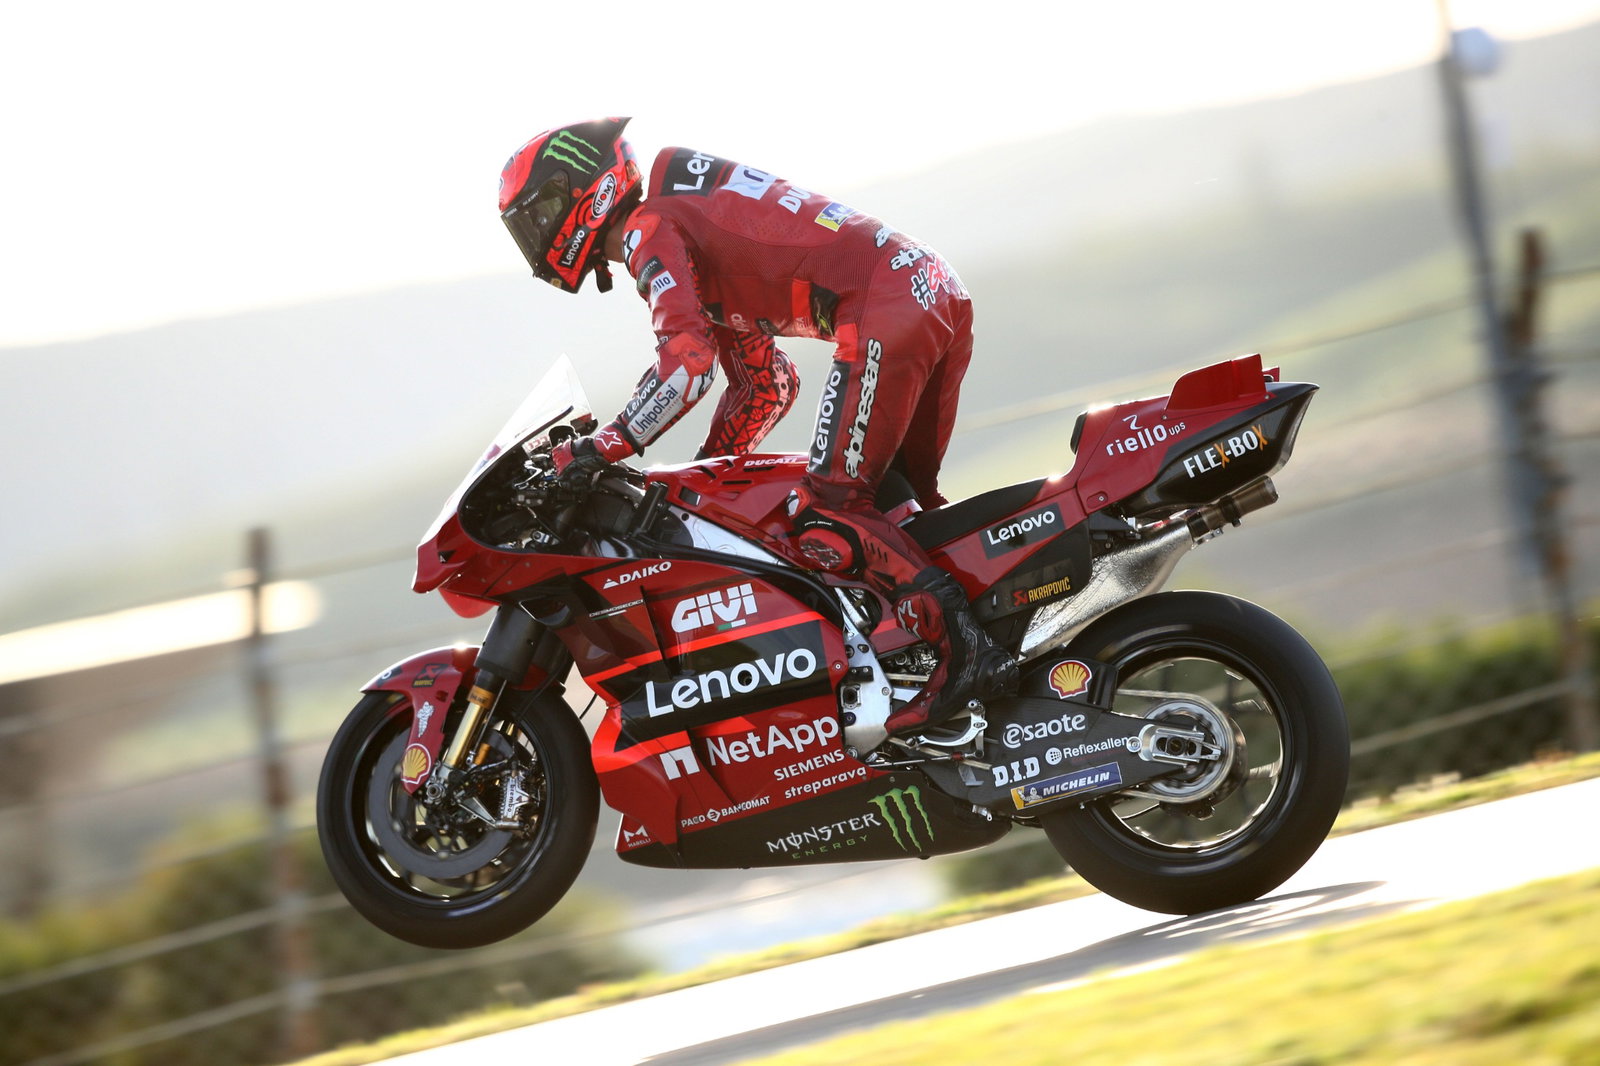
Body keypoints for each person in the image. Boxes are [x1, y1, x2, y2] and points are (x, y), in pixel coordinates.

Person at [497, 116, 1017, 736]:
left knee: (828, 509)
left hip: (888, 306)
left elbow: (687, 366)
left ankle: (968, 658)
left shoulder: (647, 229)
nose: (537, 234)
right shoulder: (680, 213)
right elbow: (766, 384)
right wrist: (702, 483)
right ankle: (997, 637)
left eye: (541, 212)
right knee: (904, 509)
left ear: (584, 189)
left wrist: (601, 448)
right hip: (931, 288)